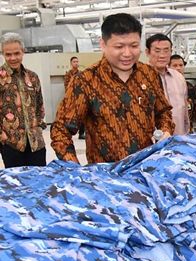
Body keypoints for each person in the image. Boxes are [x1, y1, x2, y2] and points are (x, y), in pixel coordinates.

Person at [51, 13, 174, 164]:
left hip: (145, 170)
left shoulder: (149, 75)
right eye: (119, 46)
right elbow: (61, 130)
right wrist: (76, 169)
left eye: (134, 46)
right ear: (103, 44)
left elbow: (163, 112)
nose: (127, 53)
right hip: (105, 177)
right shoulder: (86, 81)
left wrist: (166, 130)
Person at [0, 32, 46, 167]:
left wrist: (38, 126)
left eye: (16, 53)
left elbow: (39, 106)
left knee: (40, 182)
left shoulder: (33, 77)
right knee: (17, 186)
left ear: (23, 52)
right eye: (8, 54)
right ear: (3, 54)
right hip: (11, 145)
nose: (13, 58)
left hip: (35, 143)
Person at [146, 34, 189, 135]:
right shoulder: (141, 78)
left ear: (171, 52)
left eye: (166, 51)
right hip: (153, 141)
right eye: (157, 51)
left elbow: (185, 112)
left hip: (179, 138)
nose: (162, 55)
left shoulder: (179, 78)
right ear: (147, 52)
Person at [170, 54, 196, 132]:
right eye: (175, 65)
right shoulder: (163, 86)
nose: (178, 68)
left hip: (187, 130)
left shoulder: (190, 87)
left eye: (181, 65)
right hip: (169, 129)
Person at [64, 56, 85, 140]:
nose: (76, 63)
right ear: (71, 63)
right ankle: (68, 133)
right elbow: (67, 87)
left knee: (82, 116)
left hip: (80, 98)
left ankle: (81, 133)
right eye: (74, 62)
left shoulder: (81, 74)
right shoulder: (68, 74)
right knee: (70, 117)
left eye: (77, 61)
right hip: (72, 99)